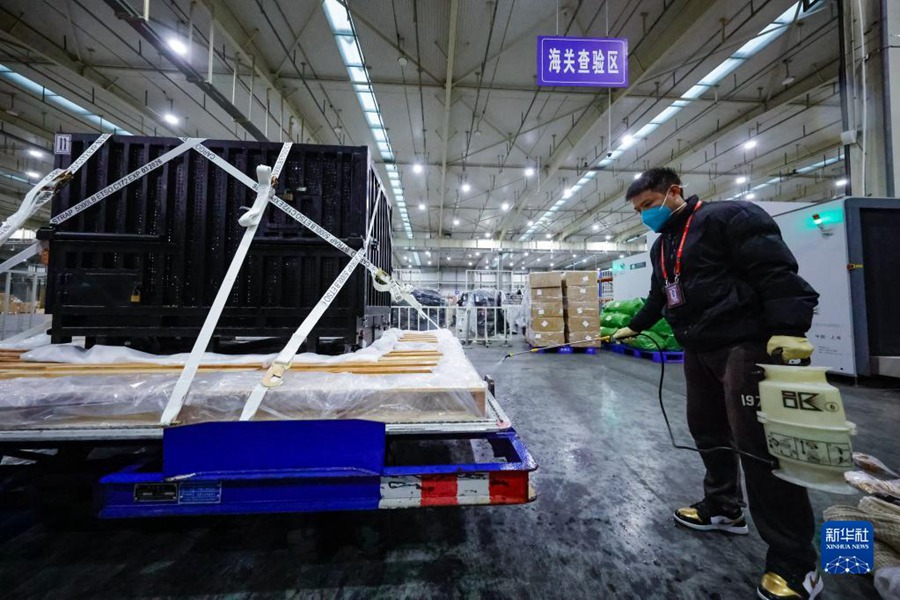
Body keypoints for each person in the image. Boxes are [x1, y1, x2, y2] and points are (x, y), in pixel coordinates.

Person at [613, 167, 822, 600]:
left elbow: (775, 270)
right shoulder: (664, 244)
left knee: (760, 448)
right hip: (698, 347)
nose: (644, 215)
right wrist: (634, 326)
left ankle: (795, 562)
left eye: (648, 205)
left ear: (674, 192)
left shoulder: (731, 217)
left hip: (745, 343)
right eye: (638, 211)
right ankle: (724, 508)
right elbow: (660, 293)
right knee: (708, 431)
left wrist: (789, 326)